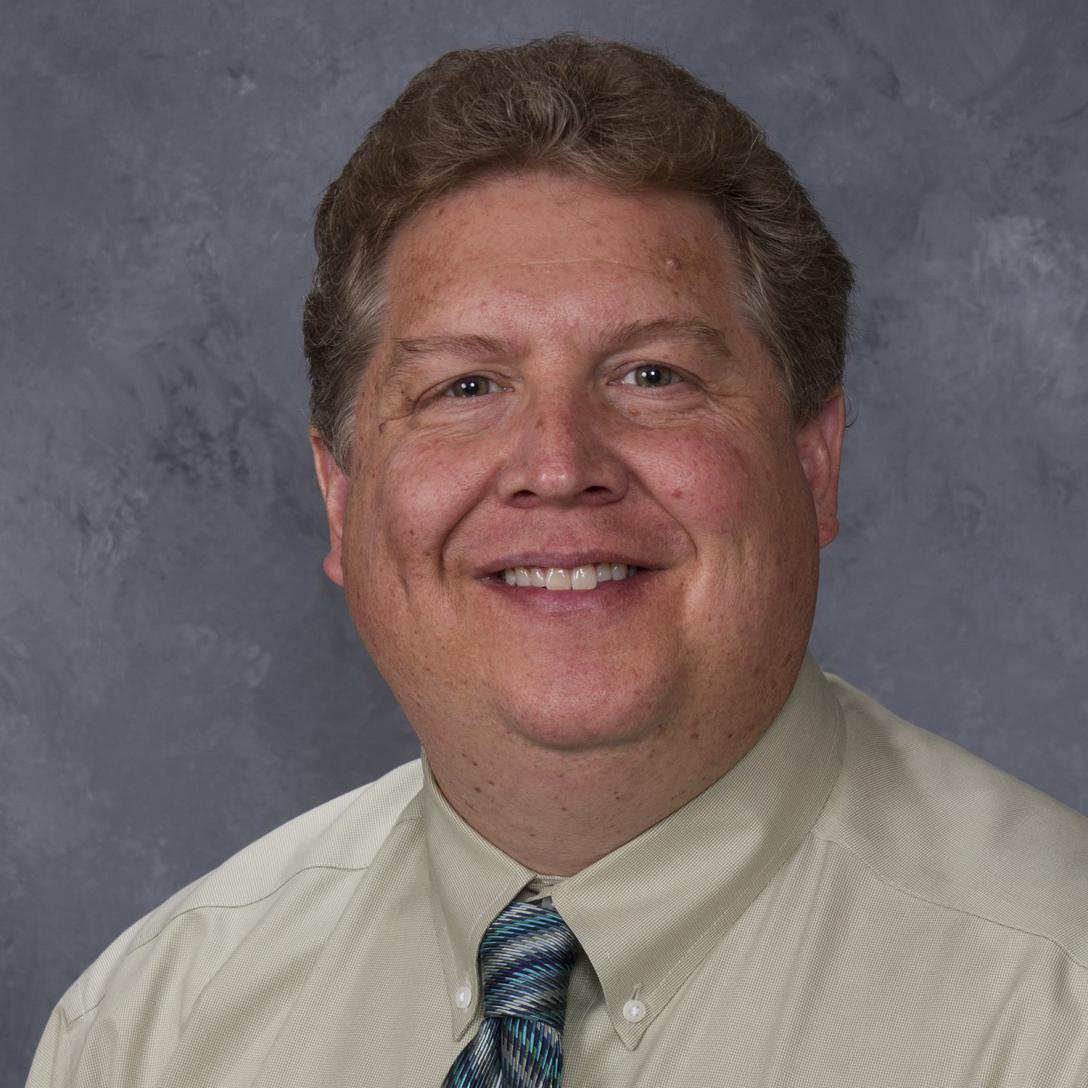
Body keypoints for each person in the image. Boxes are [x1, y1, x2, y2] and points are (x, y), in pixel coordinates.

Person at [28, 34, 1088, 1088]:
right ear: (342, 496)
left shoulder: (1054, 1008)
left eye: (650, 373)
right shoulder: (148, 1031)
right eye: (465, 387)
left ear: (814, 464)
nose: (555, 463)